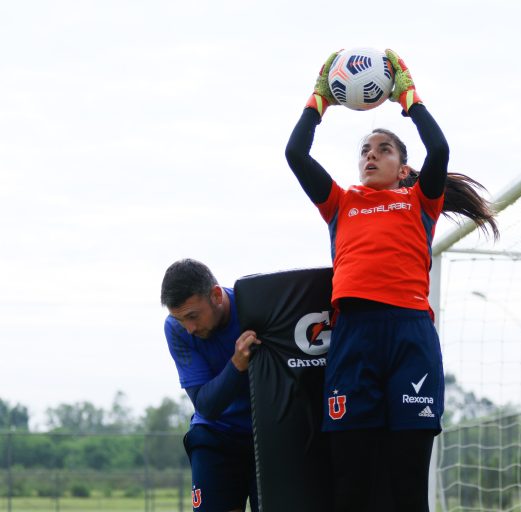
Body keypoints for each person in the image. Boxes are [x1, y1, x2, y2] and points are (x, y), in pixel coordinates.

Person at [285, 49, 498, 512]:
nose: (371, 155)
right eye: (365, 150)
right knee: (352, 485)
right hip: (354, 338)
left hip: (409, 336)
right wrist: (318, 101)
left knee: (406, 487)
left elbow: (439, 150)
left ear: (403, 168)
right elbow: (295, 153)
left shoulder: (419, 201)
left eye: (383, 149)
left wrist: (409, 98)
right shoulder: (340, 203)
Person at [160, 258, 261, 512]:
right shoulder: (176, 328)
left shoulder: (257, 306)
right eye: (182, 319)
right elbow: (206, 405)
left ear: (216, 295)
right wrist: (237, 364)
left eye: (193, 316)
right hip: (215, 434)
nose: (190, 328)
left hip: (267, 435)